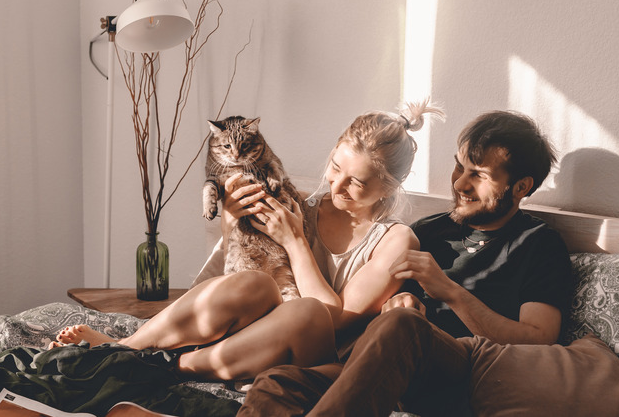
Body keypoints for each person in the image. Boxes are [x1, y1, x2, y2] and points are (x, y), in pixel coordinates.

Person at [50, 101, 444, 382]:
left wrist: (294, 242)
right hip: (248, 332)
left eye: (356, 183)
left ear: (390, 186)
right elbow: (227, 276)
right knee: (257, 283)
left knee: (305, 311)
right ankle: (127, 348)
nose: (335, 186)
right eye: (335, 167)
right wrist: (230, 221)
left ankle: (170, 368)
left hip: (317, 352)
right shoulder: (296, 201)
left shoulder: (396, 241)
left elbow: (334, 320)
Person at [237, 110, 573, 416]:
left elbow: (540, 340)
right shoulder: (428, 231)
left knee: (405, 327)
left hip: (464, 372)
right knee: (276, 386)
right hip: (385, 368)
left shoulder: (539, 244)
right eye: (459, 166)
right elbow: (377, 318)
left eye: (479, 175)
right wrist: (401, 302)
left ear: (521, 187)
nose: (459, 183)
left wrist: (450, 292)